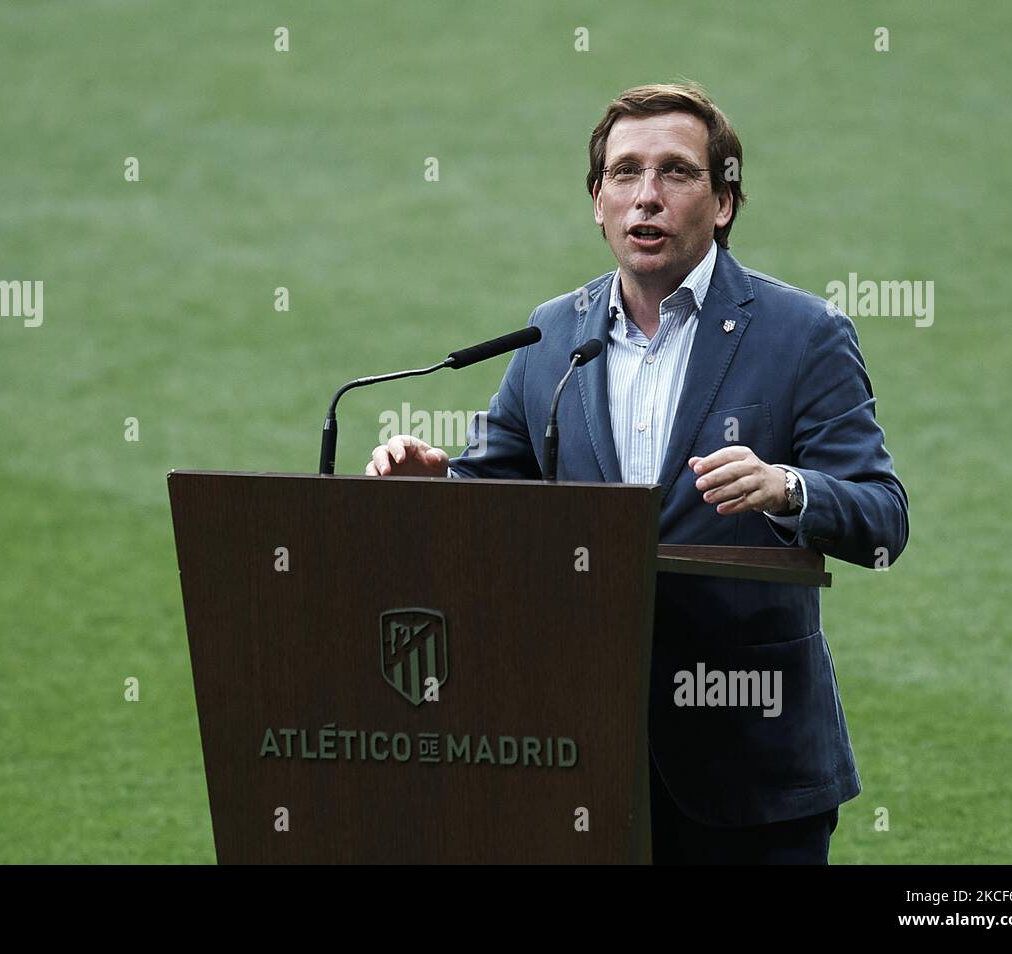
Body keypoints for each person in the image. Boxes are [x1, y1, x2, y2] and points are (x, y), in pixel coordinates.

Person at [365, 83, 908, 864]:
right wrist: (433, 493)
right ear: (596, 200)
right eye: (624, 174)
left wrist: (789, 489)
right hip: (582, 752)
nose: (646, 197)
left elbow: (883, 517)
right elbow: (499, 490)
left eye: (676, 173)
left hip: (748, 762)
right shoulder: (553, 334)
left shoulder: (804, 335)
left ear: (723, 201)